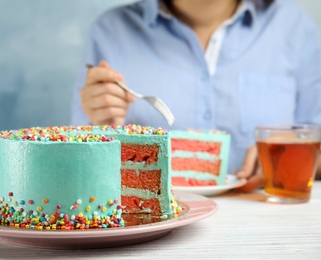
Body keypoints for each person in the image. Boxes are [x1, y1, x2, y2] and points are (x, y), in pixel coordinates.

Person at [70, 0, 321, 191]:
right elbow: (77, 165)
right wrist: (99, 130)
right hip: (148, 225)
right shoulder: (111, 31)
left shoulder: (293, 26)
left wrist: (286, 156)